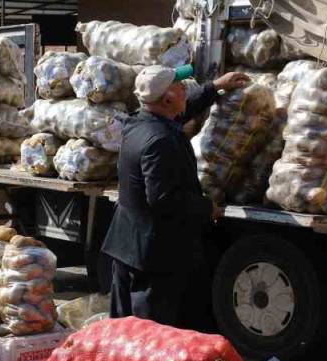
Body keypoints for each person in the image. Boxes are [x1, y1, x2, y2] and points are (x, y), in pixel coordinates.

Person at [104, 65, 249, 325]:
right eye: (180, 86)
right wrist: (208, 209)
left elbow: (180, 112)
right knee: (148, 332)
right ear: (168, 99)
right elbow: (164, 199)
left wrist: (214, 87)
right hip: (152, 255)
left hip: (128, 244)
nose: (185, 88)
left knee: (122, 329)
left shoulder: (138, 122)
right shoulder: (160, 141)